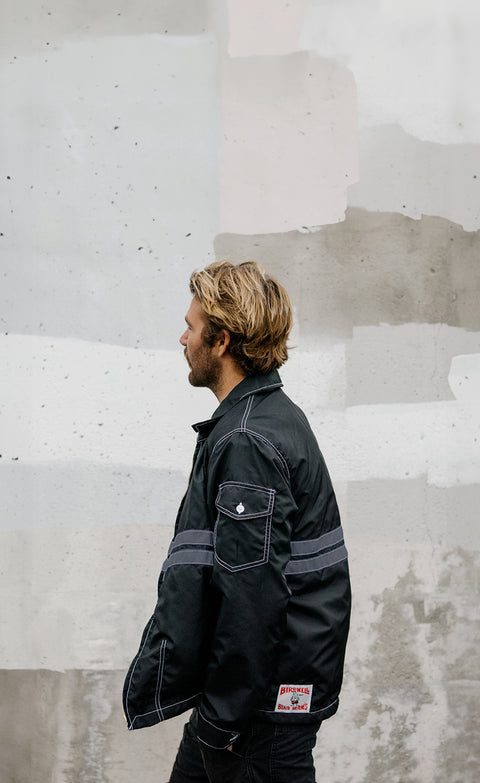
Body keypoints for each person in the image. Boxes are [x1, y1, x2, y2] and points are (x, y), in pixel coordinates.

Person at [123, 261, 351, 783]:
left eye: (192, 327)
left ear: (221, 341)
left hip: (253, 718)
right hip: (246, 702)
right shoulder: (267, 415)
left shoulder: (247, 439)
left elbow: (252, 596)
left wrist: (221, 721)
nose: (182, 338)